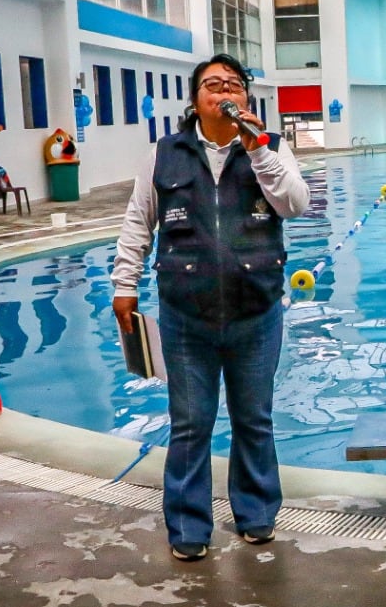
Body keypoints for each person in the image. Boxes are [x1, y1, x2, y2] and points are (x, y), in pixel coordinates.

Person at [112, 54, 310, 562]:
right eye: (212, 84)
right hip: (186, 316)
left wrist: (258, 151)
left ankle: (258, 515)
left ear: (246, 97)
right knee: (190, 422)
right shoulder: (165, 154)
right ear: (195, 100)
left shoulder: (273, 148)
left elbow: (295, 204)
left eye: (234, 84)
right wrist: (123, 284)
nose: (225, 91)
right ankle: (187, 527)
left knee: (254, 418)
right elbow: (140, 221)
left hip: (256, 312)